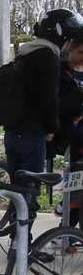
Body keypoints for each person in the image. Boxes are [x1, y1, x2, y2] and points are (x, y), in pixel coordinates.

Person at [5, 8, 83, 218]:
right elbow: (48, 99)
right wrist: (51, 128)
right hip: (32, 133)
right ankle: (22, 246)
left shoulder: (26, 54)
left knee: (18, 191)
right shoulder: (48, 58)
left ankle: (16, 240)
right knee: (29, 194)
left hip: (13, 131)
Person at [57, 37, 83, 226]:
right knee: (76, 174)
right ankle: (68, 221)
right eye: (81, 52)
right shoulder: (60, 71)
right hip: (67, 132)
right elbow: (56, 105)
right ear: (71, 50)